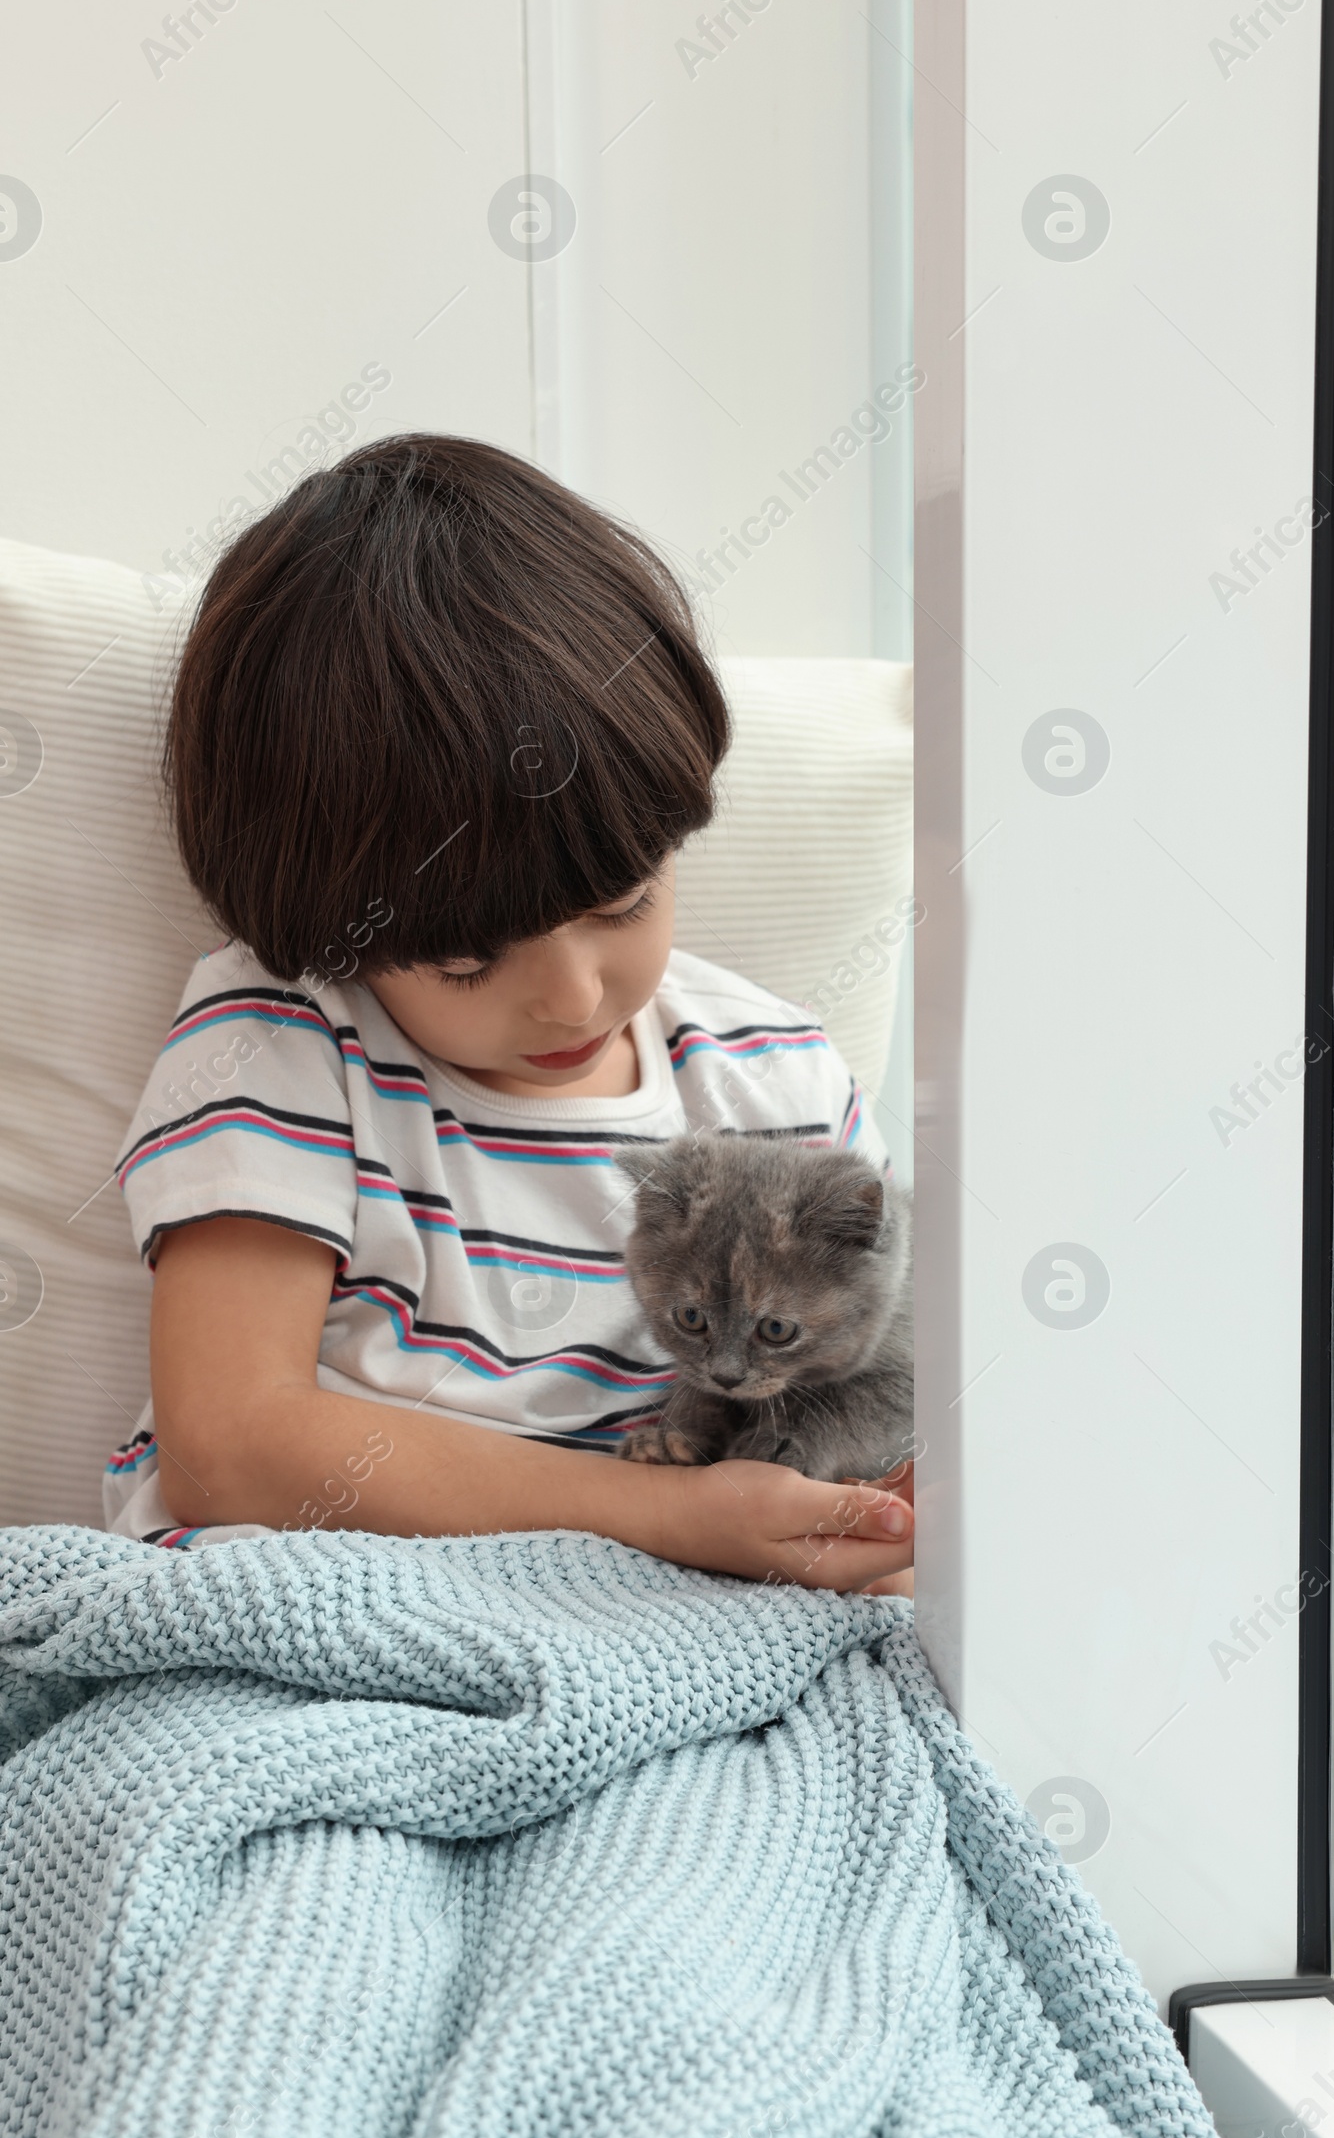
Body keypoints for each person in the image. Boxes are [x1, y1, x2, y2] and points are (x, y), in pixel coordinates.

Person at [104, 434, 913, 1592]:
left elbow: (884, 1398)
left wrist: (878, 1526)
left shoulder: (769, 1070)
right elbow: (227, 1448)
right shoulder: (284, 1043)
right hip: (313, 1599)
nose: (574, 995)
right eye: (471, 962)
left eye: (625, 902)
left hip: (674, 1629)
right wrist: (668, 1516)